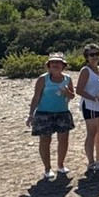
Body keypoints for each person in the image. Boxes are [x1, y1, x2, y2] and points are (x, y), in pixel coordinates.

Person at [26, 52, 75, 180]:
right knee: (45, 140)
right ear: (49, 65)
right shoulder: (43, 79)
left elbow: (72, 96)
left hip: (63, 113)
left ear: (63, 65)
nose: (55, 65)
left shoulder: (68, 79)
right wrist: (31, 114)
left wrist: (67, 92)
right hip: (44, 114)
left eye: (58, 62)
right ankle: (47, 168)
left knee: (63, 140)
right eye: (52, 62)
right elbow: (36, 96)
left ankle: (60, 165)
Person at [76, 43, 99, 174]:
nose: (95, 57)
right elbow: (79, 90)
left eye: (97, 54)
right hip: (91, 105)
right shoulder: (85, 71)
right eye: (92, 54)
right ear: (86, 56)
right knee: (91, 133)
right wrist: (94, 98)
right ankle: (91, 162)